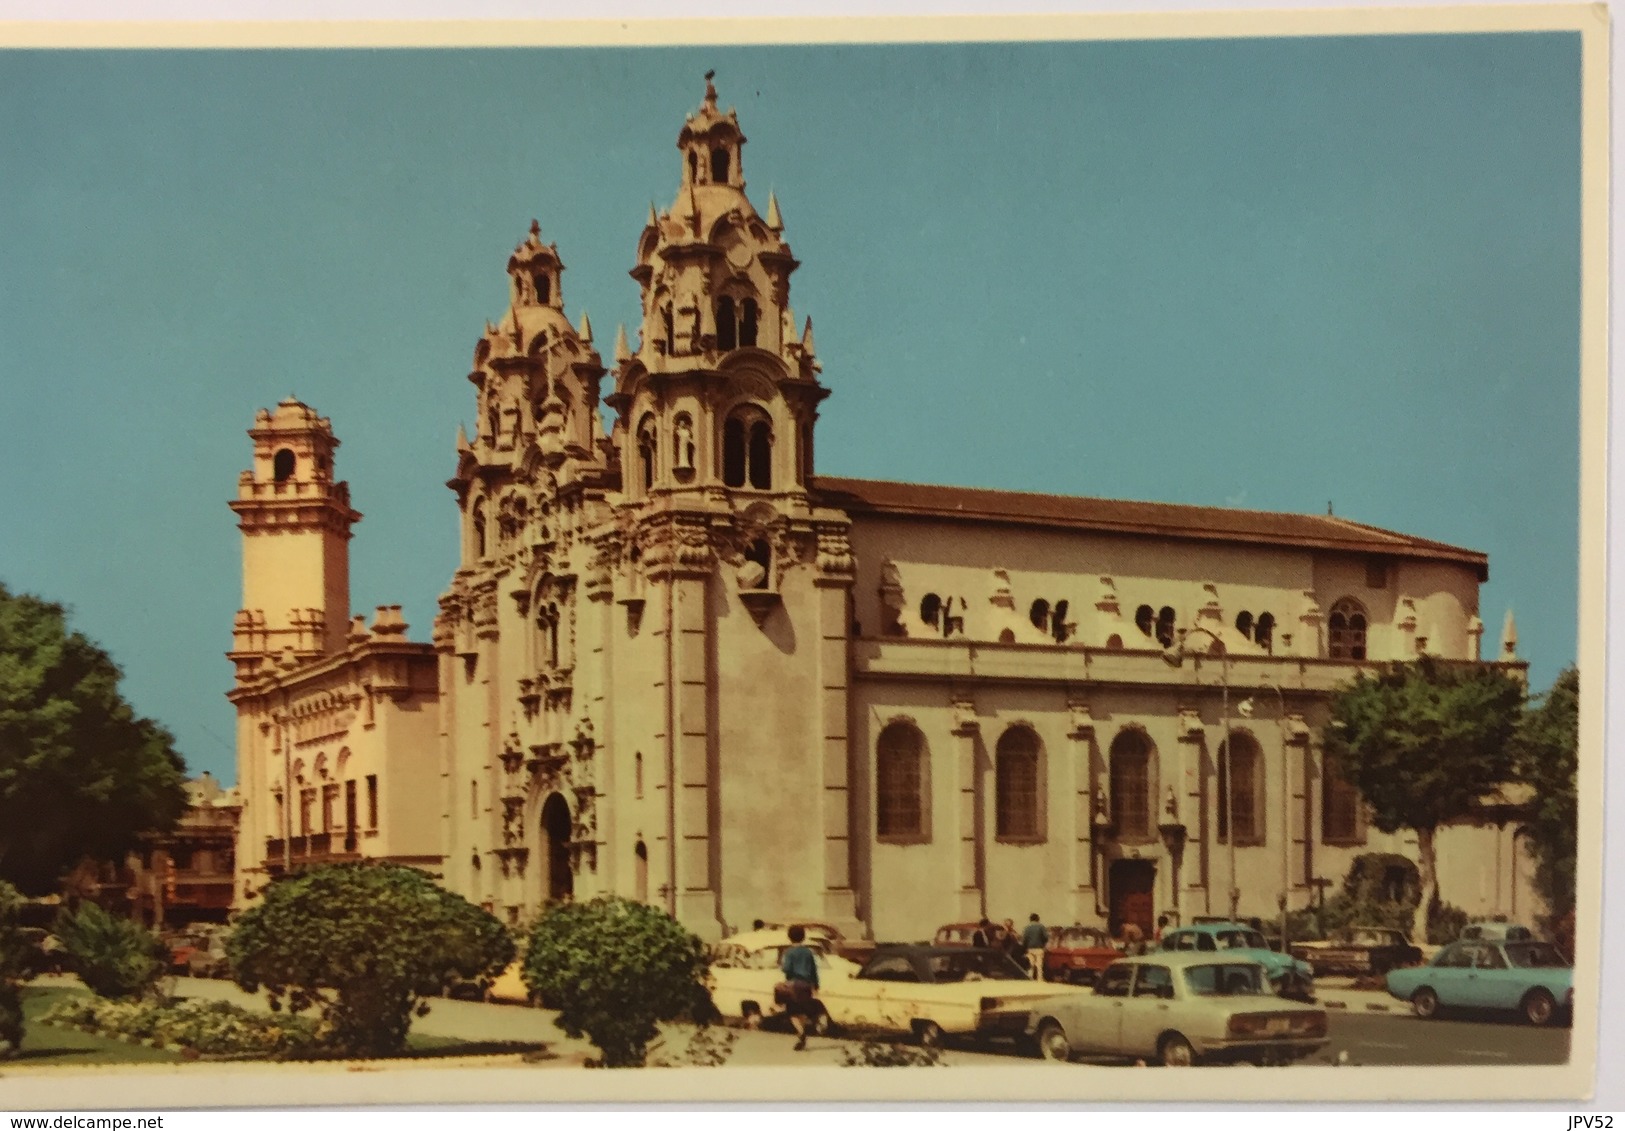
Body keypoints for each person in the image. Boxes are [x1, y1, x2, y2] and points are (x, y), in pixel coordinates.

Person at [779, 923, 820, 1051]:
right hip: (807, 984)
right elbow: (814, 969)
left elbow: (787, 969)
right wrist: (816, 984)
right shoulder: (808, 952)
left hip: (794, 984)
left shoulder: (789, 952)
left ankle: (801, 1033)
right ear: (803, 936)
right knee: (802, 1011)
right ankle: (801, 1036)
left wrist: (782, 965)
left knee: (792, 1013)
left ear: (789, 937)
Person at [1020, 913, 1048, 981]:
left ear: (1030, 919)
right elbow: (1046, 937)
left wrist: (1024, 947)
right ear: (1038, 919)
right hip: (1039, 948)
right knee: (1039, 964)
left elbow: (1024, 939)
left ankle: (1030, 977)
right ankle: (1039, 978)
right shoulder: (1041, 927)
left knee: (1030, 964)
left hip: (1029, 948)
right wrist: (1043, 943)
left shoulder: (1027, 927)